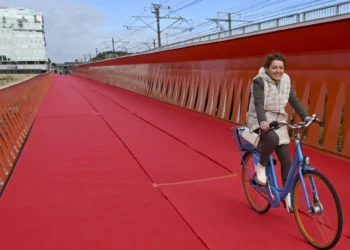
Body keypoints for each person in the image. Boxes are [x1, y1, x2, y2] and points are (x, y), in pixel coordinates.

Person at [246, 52, 311, 211]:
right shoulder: (259, 81)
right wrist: (262, 121)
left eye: (281, 68)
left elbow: (293, 100)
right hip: (259, 119)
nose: (278, 71)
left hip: (279, 119)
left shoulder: (286, 80)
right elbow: (259, 104)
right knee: (272, 139)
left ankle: (287, 194)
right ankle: (261, 166)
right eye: (274, 67)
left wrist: (306, 116)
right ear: (267, 68)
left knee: (286, 159)